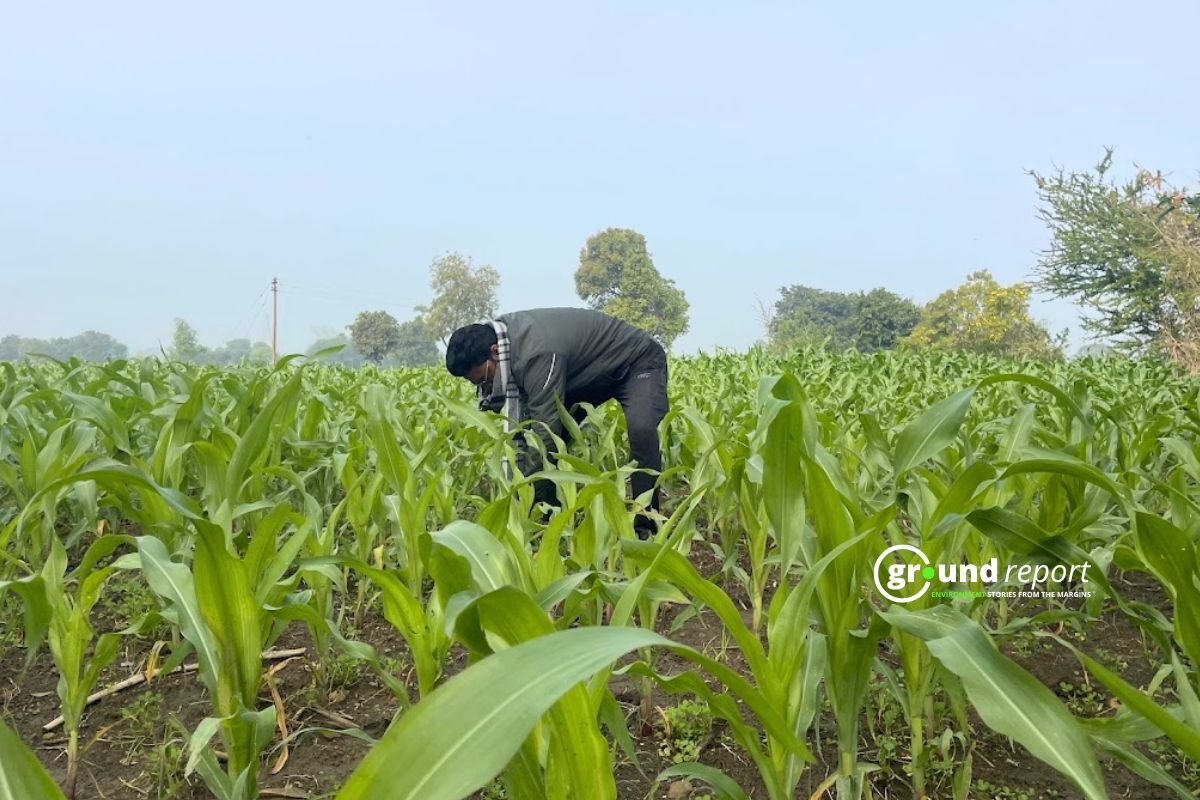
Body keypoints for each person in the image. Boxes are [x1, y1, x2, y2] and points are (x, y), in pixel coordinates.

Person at [444, 307, 669, 537]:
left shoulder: (537, 351)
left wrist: (525, 498)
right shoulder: (504, 341)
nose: (487, 388)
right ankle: (550, 515)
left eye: (485, 378)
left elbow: (544, 432)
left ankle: (646, 525)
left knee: (642, 430)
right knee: (549, 435)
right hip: (587, 374)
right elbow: (524, 428)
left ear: (494, 352)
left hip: (636, 362)